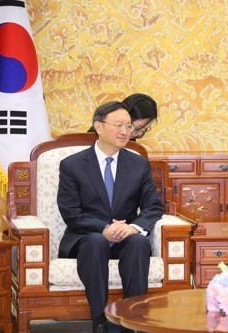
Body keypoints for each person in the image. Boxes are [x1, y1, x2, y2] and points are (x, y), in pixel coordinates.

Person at [58, 101, 165, 333]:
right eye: (119, 125)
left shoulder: (138, 164)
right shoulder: (72, 165)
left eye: (128, 126)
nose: (125, 131)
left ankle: (132, 320)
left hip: (124, 236)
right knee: (96, 241)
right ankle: (99, 321)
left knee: (138, 242)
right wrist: (103, 228)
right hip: (86, 238)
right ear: (98, 126)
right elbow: (70, 211)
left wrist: (134, 227)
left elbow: (153, 206)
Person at [88, 93, 157, 140]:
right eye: (138, 128)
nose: (139, 134)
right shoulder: (98, 133)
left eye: (144, 130)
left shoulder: (130, 140)